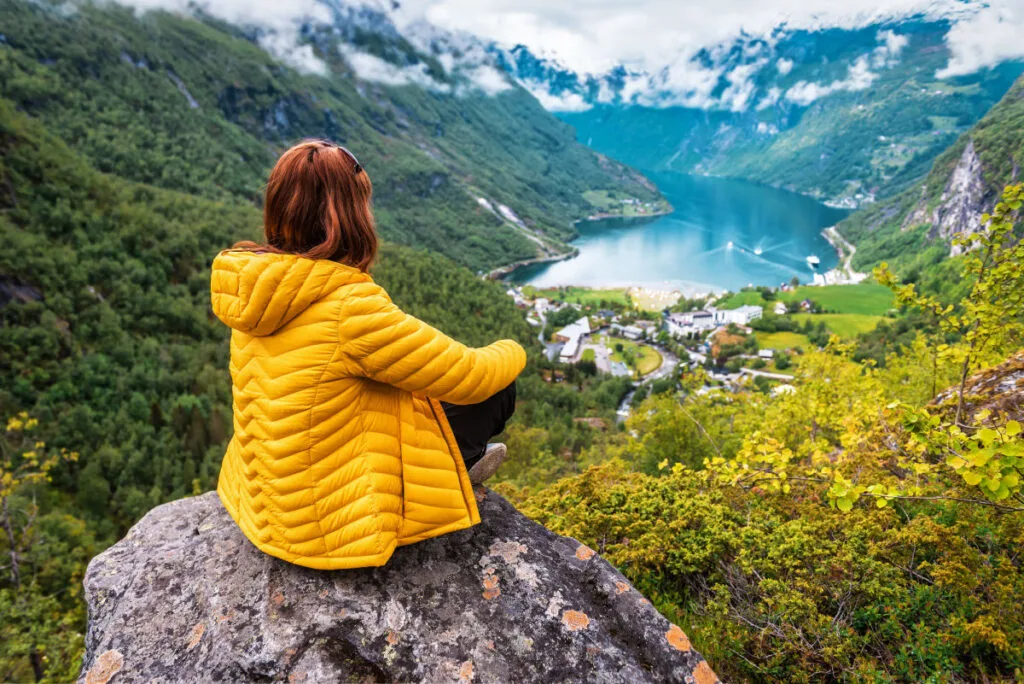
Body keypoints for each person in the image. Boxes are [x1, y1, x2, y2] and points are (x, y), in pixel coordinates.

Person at [209, 139, 525, 570]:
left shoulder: (256, 287)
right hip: (334, 527)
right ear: (350, 216)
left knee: (398, 388)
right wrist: (513, 348)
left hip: (268, 505)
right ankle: (460, 469)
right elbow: (469, 375)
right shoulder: (348, 307)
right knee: (495, 391)